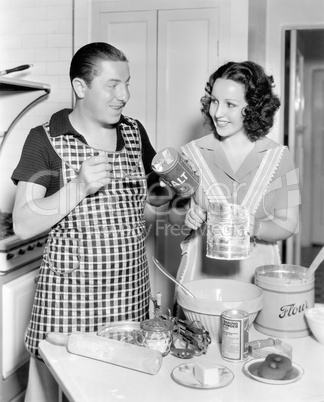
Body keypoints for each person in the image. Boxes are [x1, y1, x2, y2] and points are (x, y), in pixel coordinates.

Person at [11, 42, 172, 401]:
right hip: (71, 297)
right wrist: (79, 186)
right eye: (113, 85)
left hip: (129, 293)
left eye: (127, 83)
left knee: (121, 388)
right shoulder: (45, 140)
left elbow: (154, 198)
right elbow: (23, 223)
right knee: (67, 384)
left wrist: (181, 199)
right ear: (80, 88)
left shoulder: (134, 133)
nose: (124, 95)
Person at [169, 61, 300, 285]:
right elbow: (173, 214)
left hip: (258, 280)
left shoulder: (279, 157)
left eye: (230, 104)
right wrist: (185, 217)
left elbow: (289, 223)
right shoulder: (190, 154)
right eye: (214, 101)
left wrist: (257, 227)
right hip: (200, 282)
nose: (218, 112)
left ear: (254, 107)